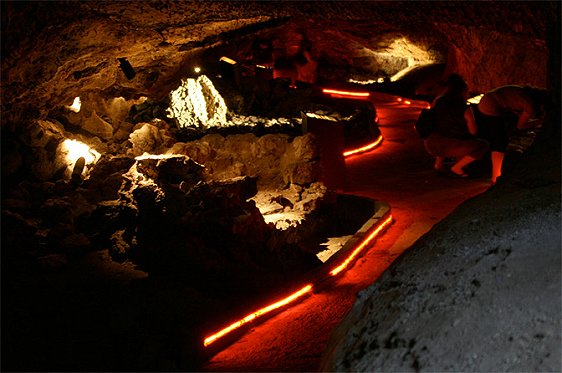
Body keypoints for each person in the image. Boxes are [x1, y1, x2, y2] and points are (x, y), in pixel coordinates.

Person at [476, 85, 548, 184]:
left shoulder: (522, 92)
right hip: (491, 106)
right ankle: (496, 177)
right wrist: (540, 121)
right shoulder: (529, 106)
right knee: (500, 142)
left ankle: (495, 174)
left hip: (486, 101)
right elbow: (521, 126)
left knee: (496, 140)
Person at [424, 74, 489, 177]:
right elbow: (473, 131)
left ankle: (438, 165)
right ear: (463, 91)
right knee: (482, 145)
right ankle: (457, 168)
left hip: (430, 144)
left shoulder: (437, 101)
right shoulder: (464, 108)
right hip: (450, 146)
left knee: (442, 134)